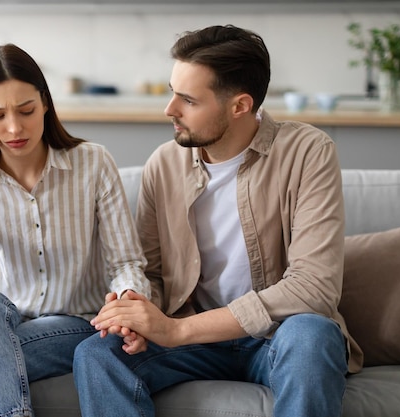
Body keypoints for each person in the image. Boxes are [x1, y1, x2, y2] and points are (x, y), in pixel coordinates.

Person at [73, 25, 361, 417]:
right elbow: (151, 273)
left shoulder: (307, 152)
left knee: (312, 335)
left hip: (277, 338)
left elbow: (314, 288)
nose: (169, 109)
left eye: (188, 100)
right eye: (172, 91)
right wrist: (136, 312)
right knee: (98, 353)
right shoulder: (164, 163)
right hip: (192, 341)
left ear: (240, 105)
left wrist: (175, 331)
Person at [0, 43, 151, 417]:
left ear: (45, 103)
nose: (14, 127)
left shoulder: (94, 163)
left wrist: (130, 301)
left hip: (80, 326)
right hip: (8, 322)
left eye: (26, 111)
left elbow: (126, 261)